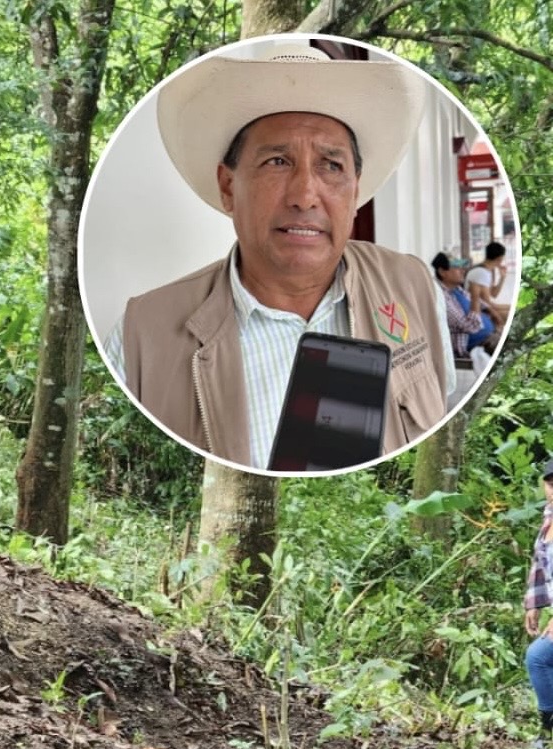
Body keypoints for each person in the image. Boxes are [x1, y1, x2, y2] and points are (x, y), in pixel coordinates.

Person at [103, 41, 455, 470]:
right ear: (229, 186)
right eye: (277, 162)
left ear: (355, 191)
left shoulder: (413, 287)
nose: (305, 195)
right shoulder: (143, 337)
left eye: (331, 165)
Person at [524, 458, 553, 749]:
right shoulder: (549, 518)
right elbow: (540, 562)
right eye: (551, 483)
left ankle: (547, 731)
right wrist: (533, 605)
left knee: (539, 657)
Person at [465, 241, 509, 325]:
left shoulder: (485, 271)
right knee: (512, 314)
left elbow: (494, 294)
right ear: (499, 258)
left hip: (483, 308)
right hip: (476, 312)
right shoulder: (481, 273)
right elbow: (487, 304)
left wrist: (502, 278)